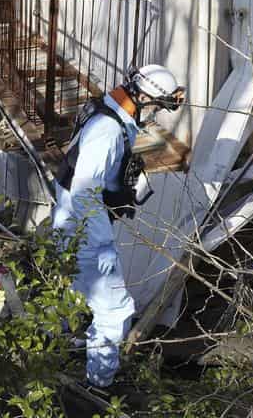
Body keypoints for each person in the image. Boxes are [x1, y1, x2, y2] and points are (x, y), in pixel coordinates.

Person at [53, 64, 184, 389]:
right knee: (116, 311)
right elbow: (84, 191)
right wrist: (101, 246)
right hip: (83, 228)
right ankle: (99, 385)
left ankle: (65, 352)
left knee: (79, 296)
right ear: (140, 96)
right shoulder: (108, 130)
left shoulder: (110, 110)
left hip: (76, 222)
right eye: (155, 106)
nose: (155, 114)